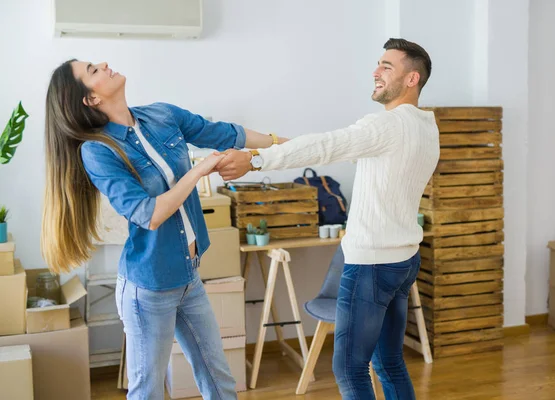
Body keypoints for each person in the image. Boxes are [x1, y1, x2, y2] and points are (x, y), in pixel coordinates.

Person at [40, 59, 286, 400]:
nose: (105, 64)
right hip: (147, 289)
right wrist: (199, 171)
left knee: (219, 381)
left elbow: (229, 133)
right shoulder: (97, 151)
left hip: (188, 277)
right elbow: (148, 213)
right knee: (148, 392)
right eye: (93, 70)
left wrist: (287, 146)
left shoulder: (162, 116)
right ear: (90, 99)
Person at [215, 38, 440, 400]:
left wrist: (255, 159)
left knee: (349, 369)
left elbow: (330, 144)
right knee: (389, 363)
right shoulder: (424, 127)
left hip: (371, 265)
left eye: (387, 66)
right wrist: (283, 146)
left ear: (412, 79)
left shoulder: (387, 127)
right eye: (377, 64)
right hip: (403, 260)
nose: (375, 72)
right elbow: (346, 149)